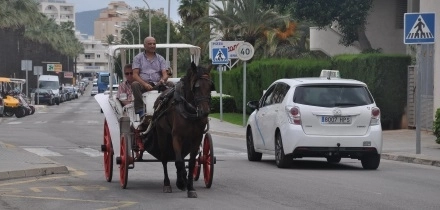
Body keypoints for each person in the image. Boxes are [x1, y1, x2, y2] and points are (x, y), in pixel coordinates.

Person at [131, 36, 169, 116]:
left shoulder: (160, 58)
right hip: (143, 85)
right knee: (135, 85)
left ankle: (168, 108)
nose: (152, 45)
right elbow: (135, 75)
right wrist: (144, 84)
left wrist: (163, 80)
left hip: (157, 84)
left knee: (171, 85)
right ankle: (140, 109)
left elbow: (165, 74)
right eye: (150, 44)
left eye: (154, 44)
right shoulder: (138, 58)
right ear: (144, 45)